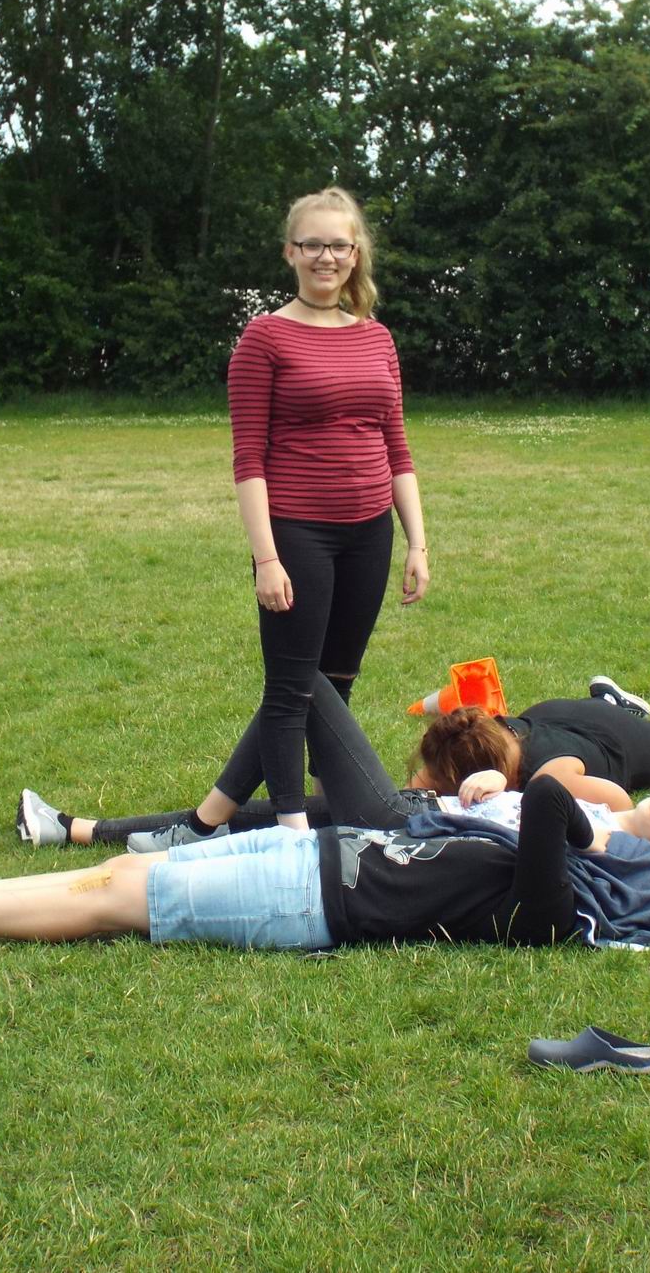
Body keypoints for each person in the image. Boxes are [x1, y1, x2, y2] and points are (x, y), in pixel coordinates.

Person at [15, 674, 650, 898]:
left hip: (410, 827)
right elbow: (562, 786)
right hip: (430, 801)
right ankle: (76, 829)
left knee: (301, 685)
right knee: (263, 810)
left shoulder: (631, 855)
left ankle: (203, 825)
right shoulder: (618, 808)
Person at [0, 771, 650, 952]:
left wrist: (598, 842)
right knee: (124, 877)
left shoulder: (552, 913)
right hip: (315, 853)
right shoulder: (564, 884)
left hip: (310, 900)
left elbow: (554, 799)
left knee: (117, 898)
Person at [222, 185, 429, 839]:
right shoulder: (264, 337)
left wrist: (417, 543)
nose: (325, 257)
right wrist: (266, 557)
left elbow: (397, 446)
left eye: (338, 244)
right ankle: (291, 833)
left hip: (368, 535)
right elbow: (248, 459)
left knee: (335, 686)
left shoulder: (376, 338)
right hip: (297, 534)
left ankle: (321, 807)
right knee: (290, 690)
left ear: (355, 252)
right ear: (290, 252)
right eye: (311, 244)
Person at [411, 681, 650, 798]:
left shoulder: (552, 778)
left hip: (616, 739)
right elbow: (410, 795)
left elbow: (621, 807)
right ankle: (609, 700)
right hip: (553, 715)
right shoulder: (466, 740)